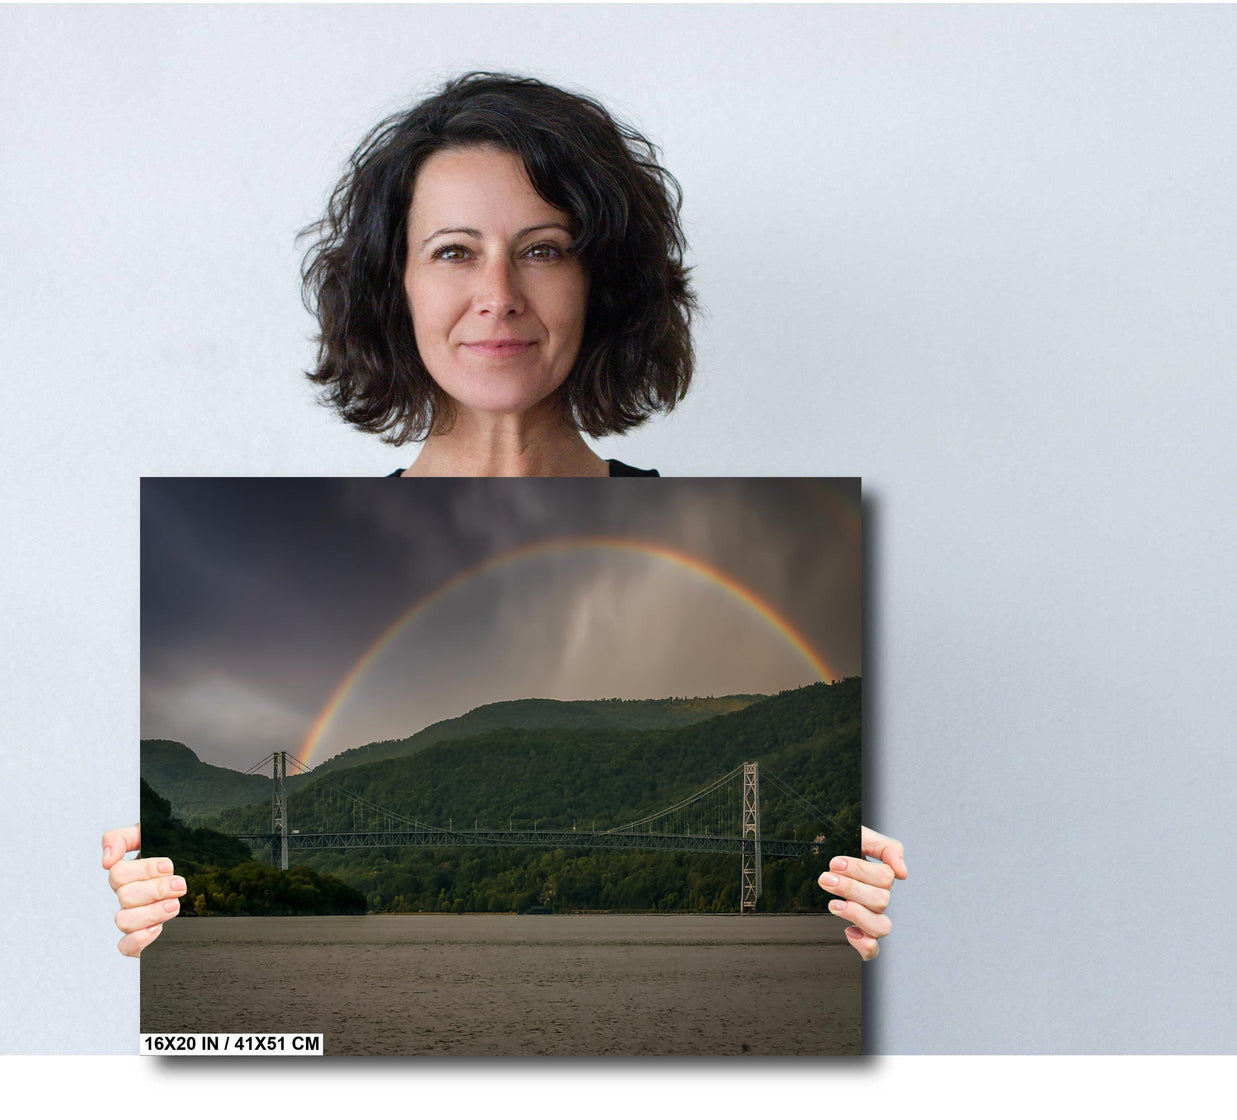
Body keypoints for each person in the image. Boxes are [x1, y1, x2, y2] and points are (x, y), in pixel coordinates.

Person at [105, 72, 906, 959]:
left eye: (544, 249)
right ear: (394, 285)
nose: (499, 294)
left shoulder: (763, 544)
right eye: (453, 251)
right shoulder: (278, 555)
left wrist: (854, 918)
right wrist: (160, 916)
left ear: (601, 283)